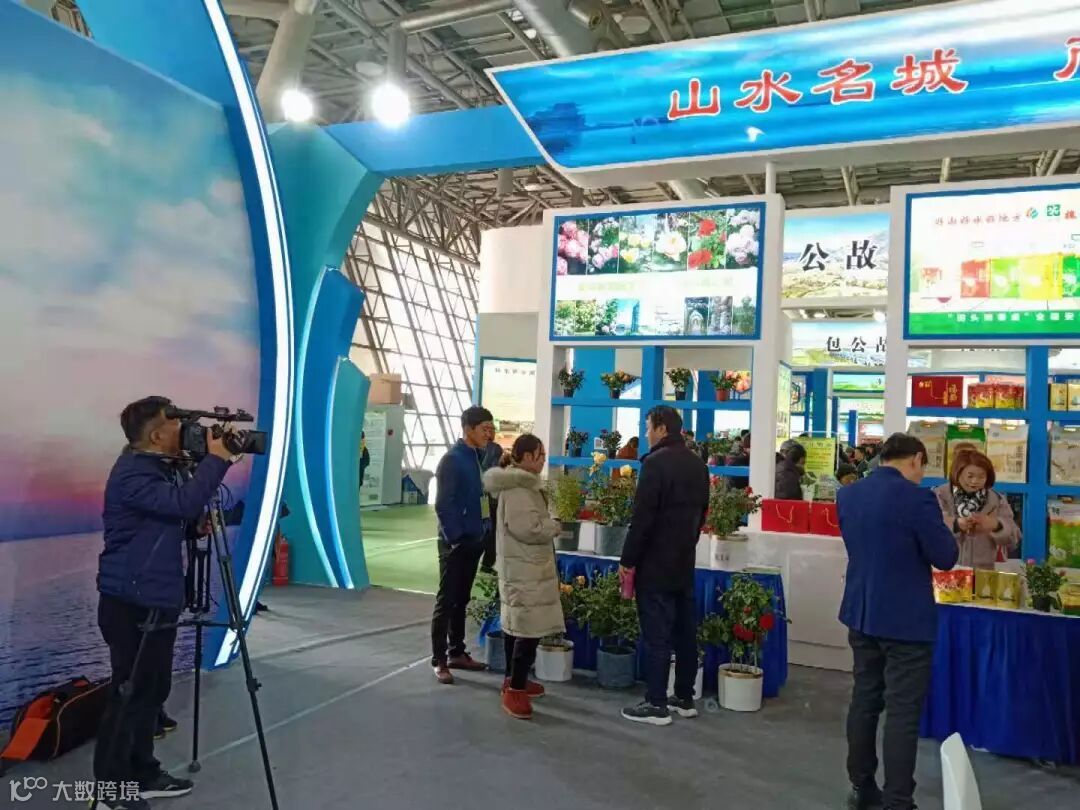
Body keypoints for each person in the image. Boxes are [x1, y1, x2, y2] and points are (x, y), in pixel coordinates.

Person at [94, 396, 234, 809]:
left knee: (152, 692)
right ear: (157, 435)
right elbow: (180, 503)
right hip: (131, 602)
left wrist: (195, 527)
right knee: (129, 694)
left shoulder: (160, 470)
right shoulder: (133, 473)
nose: (187, 432)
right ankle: (111, 789)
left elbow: (171, 517)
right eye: (176, 425)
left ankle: (143, 772)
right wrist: (218, 459)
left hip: (155, 596)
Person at [837, 433, 959, 810]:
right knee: (903, 712)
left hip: (861, 610)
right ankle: (898, 800)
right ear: (916, 459)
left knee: (864, 699)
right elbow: (945, 557)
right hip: (906, 620)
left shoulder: (849, 494)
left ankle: (861, 786)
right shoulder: (918, 499)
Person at [618, 406, 710, 726]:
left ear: (660, 428)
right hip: (684, 558)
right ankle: (684, 697)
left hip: (655, 562)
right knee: (685, 631)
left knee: (656, 633)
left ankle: (656, 702)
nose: (646, 434)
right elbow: (703, 513)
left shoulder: (654, 464)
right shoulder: (698, 464)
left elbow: (642, 519)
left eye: (648, 427)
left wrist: (628, 560)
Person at [482, 435, 563, 720]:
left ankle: (513, 680)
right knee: (528, 630)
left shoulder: (520, 485)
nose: (543, 461)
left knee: (517, 627)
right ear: (527, 457)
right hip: (525, 569)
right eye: (540, 456)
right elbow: (527, 528)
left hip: (524, 567)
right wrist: (553, 526)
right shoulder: (519, 488)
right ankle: (515, 689)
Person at [431, 406, 495, 684]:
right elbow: (443, 504)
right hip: (455, 543)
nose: (489, 434)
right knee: (446, 601)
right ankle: (439, 659)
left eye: (491, 429)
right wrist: (455, 538)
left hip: (474, 539)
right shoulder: (452, 460)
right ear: (468, 429)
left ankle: (456, 651)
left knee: (462, 599)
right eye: (484, 429)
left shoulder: (478, 458)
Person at [934, 450, 1020, 569]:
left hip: (982, 572)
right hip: (945, 571)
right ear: (957, 473)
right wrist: (956, 525)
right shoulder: (938, 495)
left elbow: (1014, 539)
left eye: (981, 477)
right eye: (970, 476)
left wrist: (997, 526)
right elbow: (928, 529)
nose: (975, 481)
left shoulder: (997, 500)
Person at [479, 429, 503, 574]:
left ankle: (483, 562)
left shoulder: (475, 449)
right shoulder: (495, 449)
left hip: (480, 497)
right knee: (493, 531)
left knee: (484, 529)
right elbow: (495, 471)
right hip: (491, 498)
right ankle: (487, 563)